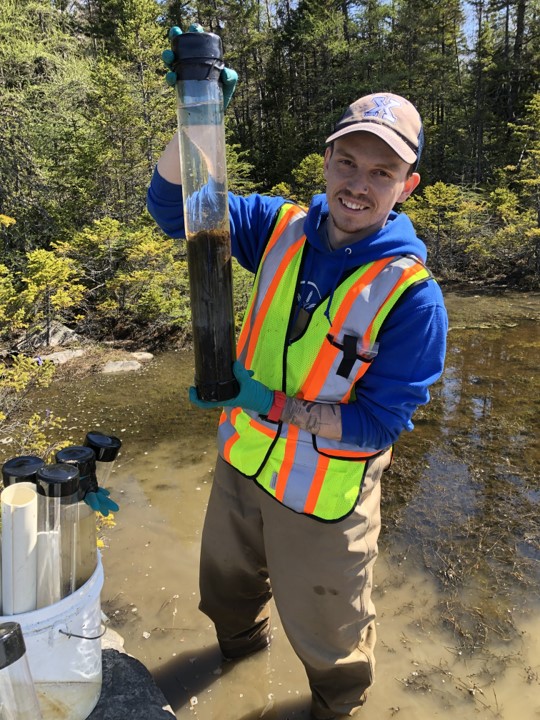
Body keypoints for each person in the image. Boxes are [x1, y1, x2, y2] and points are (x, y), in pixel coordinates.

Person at [147, 27, 447, 720]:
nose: (358, 185)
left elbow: (381, 421)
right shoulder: (276, 226)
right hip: (240, 466)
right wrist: (198, 118)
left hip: (323, 499)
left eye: (382, 173)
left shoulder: (413, 296)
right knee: (226, 599)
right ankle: (237, 661)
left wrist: (270, 403)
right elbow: (176, 210)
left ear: (408, 185)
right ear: (327, 162)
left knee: (332, 646)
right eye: (348, 162)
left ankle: (336, 710)